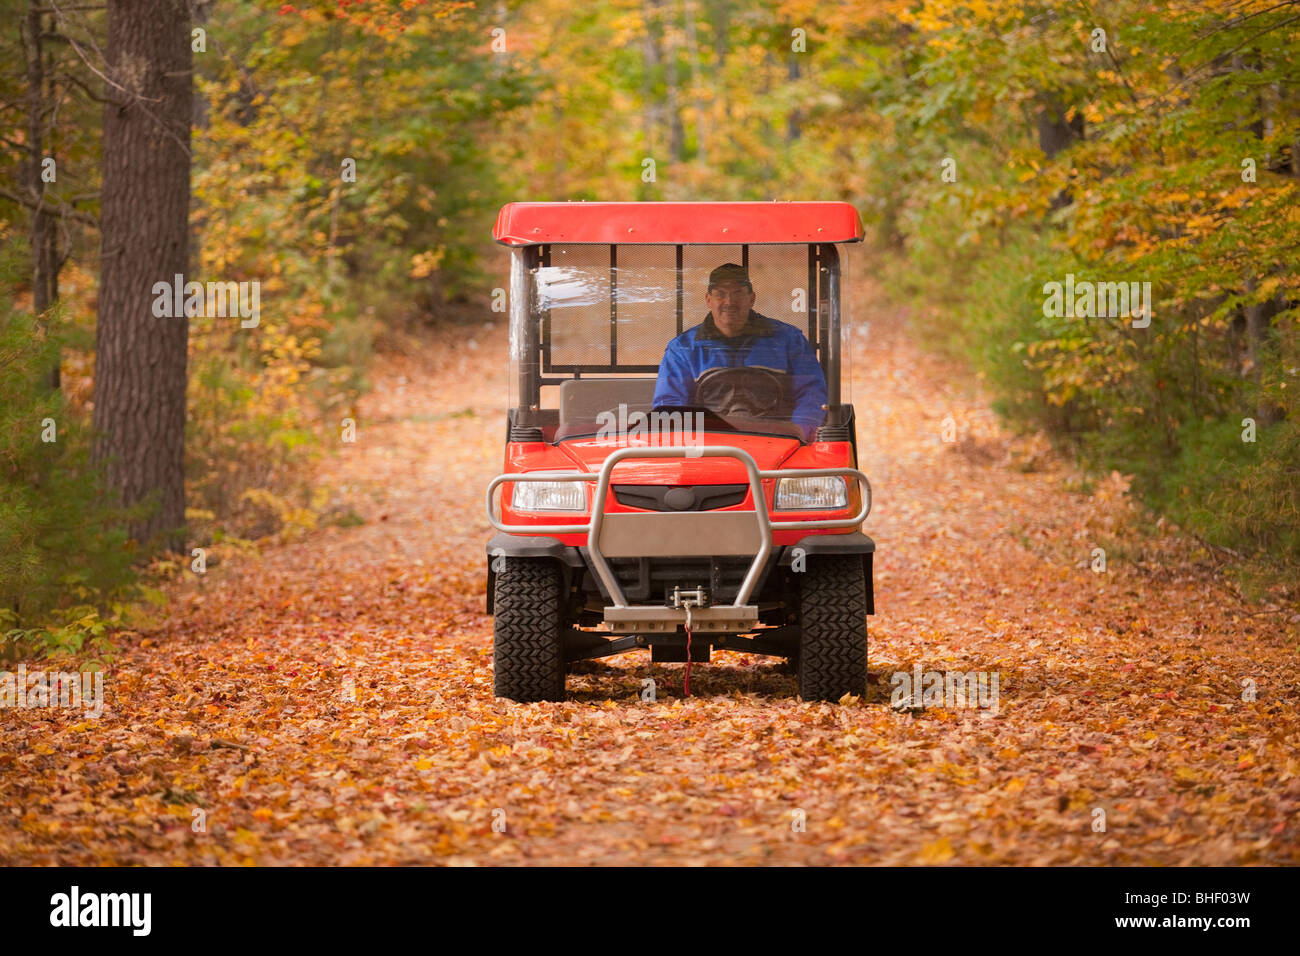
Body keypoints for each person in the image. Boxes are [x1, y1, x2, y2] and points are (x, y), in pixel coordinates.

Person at [653, 263, 828, 438]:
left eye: (738, 294)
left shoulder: (789, 341)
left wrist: (798, 434)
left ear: (751, 299)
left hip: (777, 442)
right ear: (708, 300)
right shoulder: (682, 349)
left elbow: (811, 395)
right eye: (721, 294)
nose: (729, 302)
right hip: (707, 446)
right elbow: (671, 406)